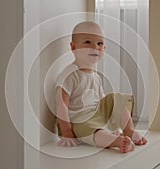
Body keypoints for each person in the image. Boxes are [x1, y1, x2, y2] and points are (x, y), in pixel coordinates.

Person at [55, 21, 147, 153]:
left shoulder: (95, 76)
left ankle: (128, 131)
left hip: (95, 116)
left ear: (104, 48)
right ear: (74, 47)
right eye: (88, 42)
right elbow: (61, 105)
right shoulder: (70, 74)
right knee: (94, 131)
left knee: (116, 99)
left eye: (100, 44)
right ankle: (118, 142)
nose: (95, 47)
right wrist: (67, 131)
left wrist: (114, 127)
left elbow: (102, 102)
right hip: (78, 122)